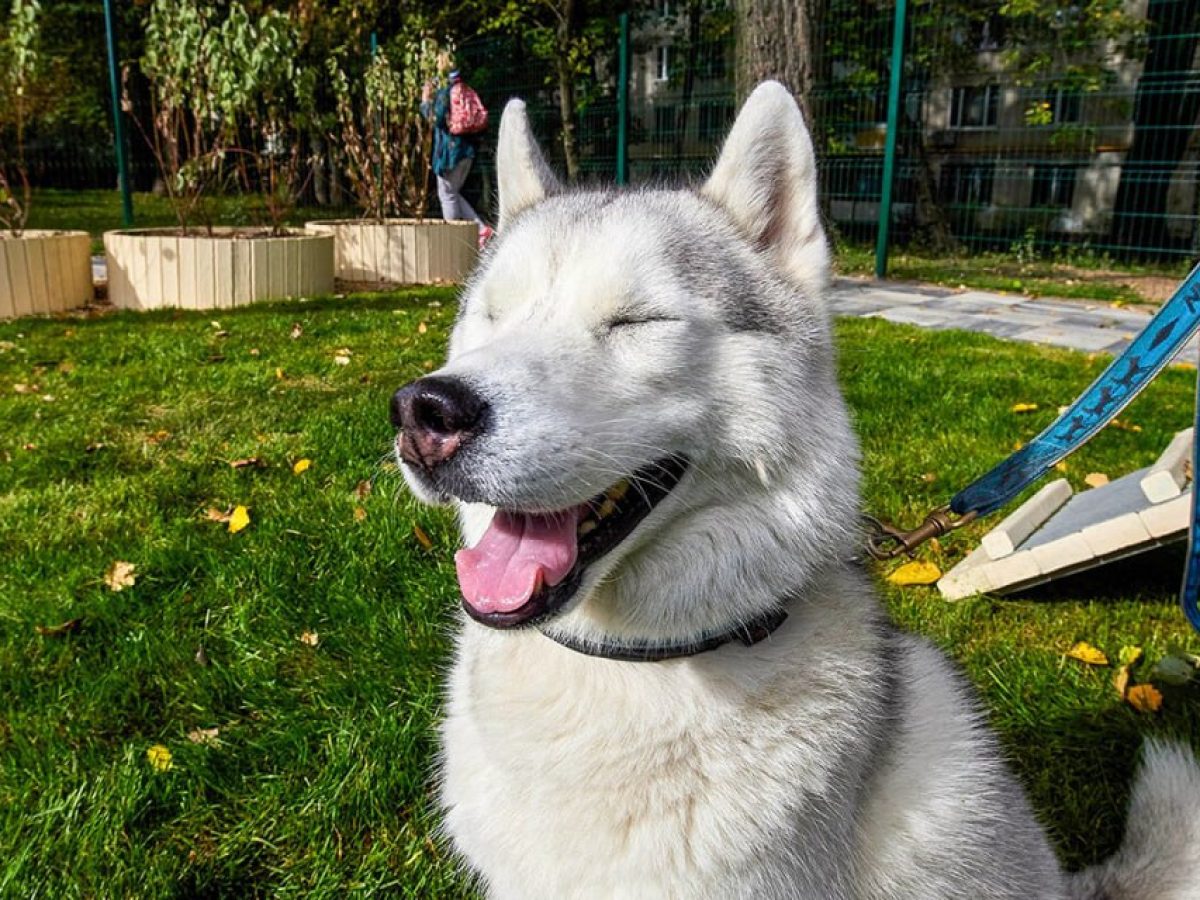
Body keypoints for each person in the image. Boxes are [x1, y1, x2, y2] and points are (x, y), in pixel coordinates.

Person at [421, 55, 494, 248]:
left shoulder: (445, 91)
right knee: (451, 192)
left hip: (450, 153)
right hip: (466, 151)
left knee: (447, 194)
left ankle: (451, 240)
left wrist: (425, 101)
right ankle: (482, 230)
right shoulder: (462, 86)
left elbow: (435, 119)